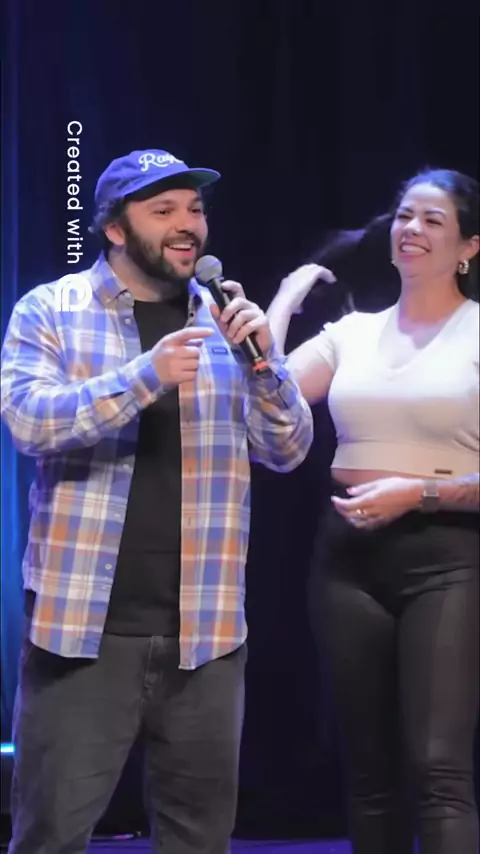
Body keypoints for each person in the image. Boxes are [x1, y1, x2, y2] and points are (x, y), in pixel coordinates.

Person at [0, 148, 313, 854]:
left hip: (206, 635)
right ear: (115, 228)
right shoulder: (52, 309)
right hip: (82, 631)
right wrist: (148, 375)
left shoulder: (225, 320)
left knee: (199, 840)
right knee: (50, 836)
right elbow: (28, 421)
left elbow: (289, 450)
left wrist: (265, 365)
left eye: (195, 210)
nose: (187, 225)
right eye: (163, 210)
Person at [267, 168, 479, 854]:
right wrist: (284, 299)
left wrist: (418, 493)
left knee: (438, 769)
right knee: (368, 775)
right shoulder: (352, 333)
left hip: (448, 558)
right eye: (404, 215)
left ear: (468, 247)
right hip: (348, 562)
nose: (411, 229)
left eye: (433, 220)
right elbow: (266, 397)